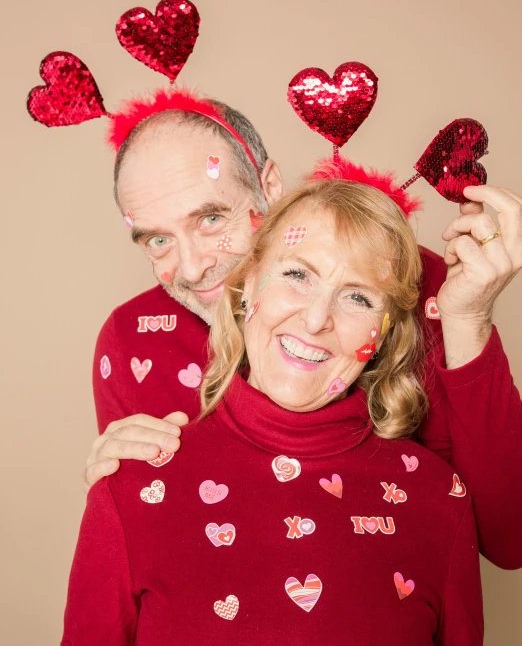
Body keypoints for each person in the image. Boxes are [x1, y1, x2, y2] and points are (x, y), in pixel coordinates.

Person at [58, 178, 491, 646]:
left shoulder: (441, 501)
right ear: (247, 285)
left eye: (358, 298)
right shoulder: (129, 489)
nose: (314, 320)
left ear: (387, 331)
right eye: (297, 275)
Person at [86, 89, 522, 570]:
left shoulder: (411, 289)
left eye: (211, 218)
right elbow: (158, 563)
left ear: (269, 187)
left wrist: (468, 321)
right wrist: (116, 501)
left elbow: (509, 540)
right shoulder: (133, 342)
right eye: (158, 239)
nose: (192, 269)